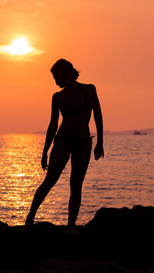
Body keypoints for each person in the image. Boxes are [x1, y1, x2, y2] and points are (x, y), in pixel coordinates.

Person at [25, 59, 104, 235]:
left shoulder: (90, 89)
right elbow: (53, 124)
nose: (55, 81)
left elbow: (98, 115)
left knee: (76, 185)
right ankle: (29, 220)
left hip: (83, 142)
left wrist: (100, 143)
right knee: (49, 181)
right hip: (63, 141)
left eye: (56, 77)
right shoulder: (58, 97)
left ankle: (70, 228)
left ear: (67, 74)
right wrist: (45, 151)